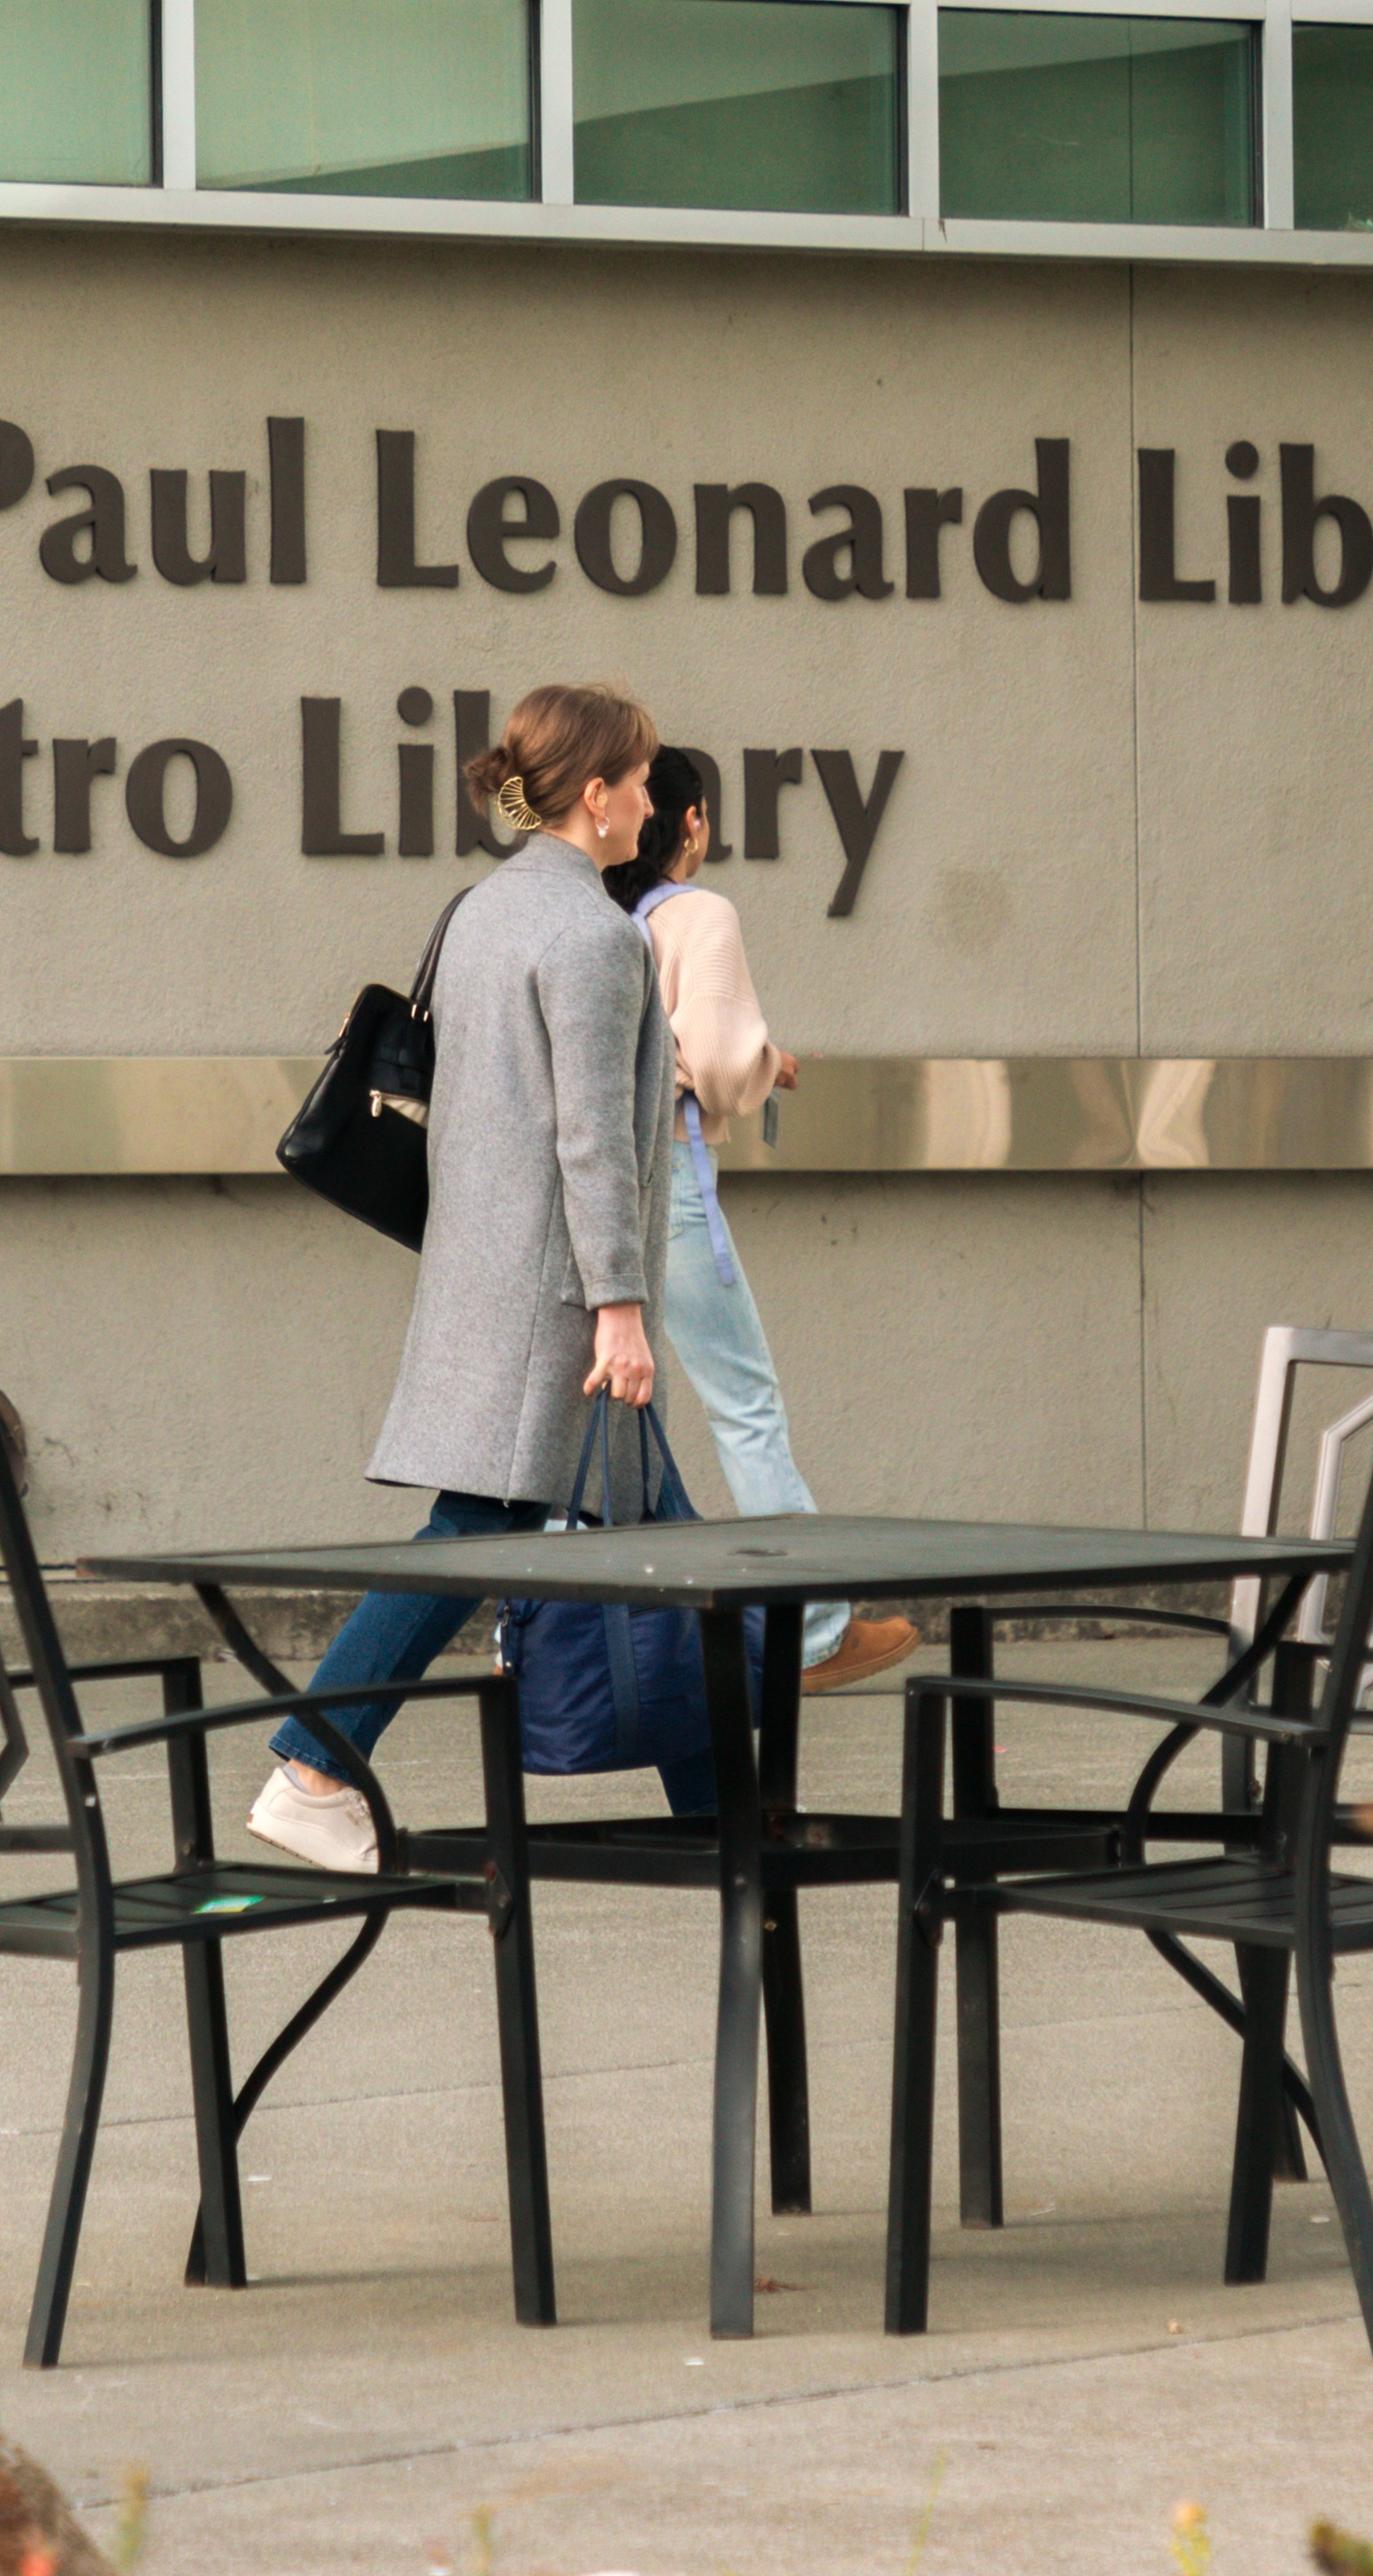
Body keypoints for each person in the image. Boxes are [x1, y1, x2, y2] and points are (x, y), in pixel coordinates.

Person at [251, 685, 710, 1874]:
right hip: (555, 1301)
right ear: (598, 796)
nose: (655, 803)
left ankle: (726, 1804)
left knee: (660, 1534)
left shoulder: (480, 911)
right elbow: (591, 1136)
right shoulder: (598, 935)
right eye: (645, 781)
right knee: (479, 1528)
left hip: (487, 1275)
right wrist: (621, 1308)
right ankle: (309, 1764)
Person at [616, 746, 917, 1695]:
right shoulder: (696, 913)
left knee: (602, 1418)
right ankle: (815, 1632)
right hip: (660, 1175)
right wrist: (764, 1065)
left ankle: (560, 1638)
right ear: (692, 820)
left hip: (583, 1183)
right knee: (743, 1402)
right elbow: (712, 1059)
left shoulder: (594, 912)